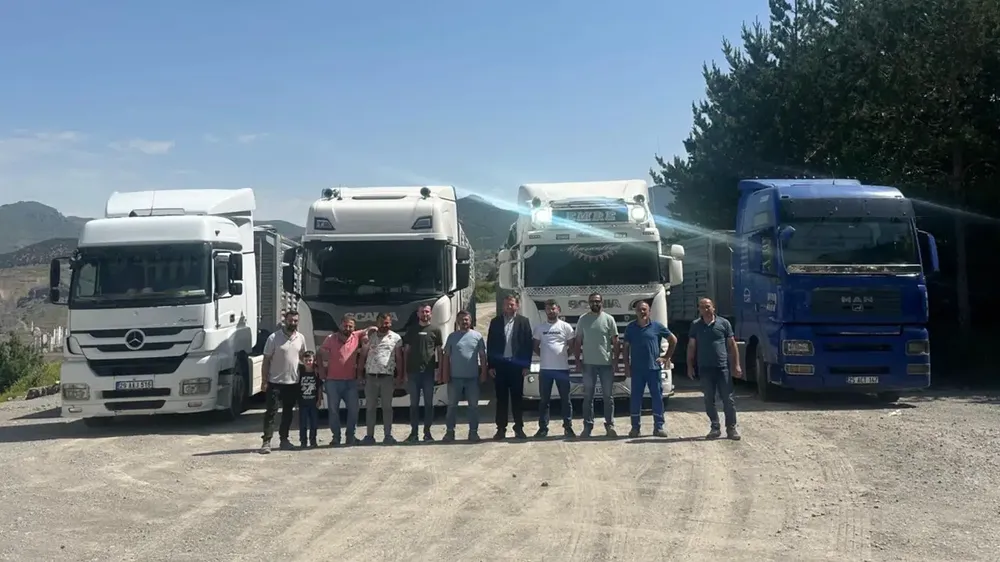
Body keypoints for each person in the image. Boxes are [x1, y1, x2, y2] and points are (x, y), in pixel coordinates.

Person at [686, 297, 742, 440]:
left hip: (722, 368)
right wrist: (690, 366)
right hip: (705, 368)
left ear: (713, 307)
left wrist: (736, 365)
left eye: (708, 306)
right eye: (702, 307)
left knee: (728, 399)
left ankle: (731, 428)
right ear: (699, 309)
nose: (705, 309)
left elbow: (732, 345)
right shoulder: (696, 325)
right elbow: (691, 346)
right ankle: (715, 427)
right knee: (708, 399)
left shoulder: (724, 323)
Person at [318, 314, 376, 447]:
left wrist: (370, 332)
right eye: (345, 326)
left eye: (351, 326)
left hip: (350, 382)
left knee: (354, 410)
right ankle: (336, 437)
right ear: (340, 325)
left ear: (354, 328)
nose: (348, 328)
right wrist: (321, 369)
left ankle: (350, 436)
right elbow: (319, 352)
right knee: (333, 411)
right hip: (333, 381)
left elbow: (370, 329)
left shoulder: (356, 336)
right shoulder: (330, 338)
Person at [622, 301, 677, 438]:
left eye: (644, 309)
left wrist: (666, 357)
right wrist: (626, 366)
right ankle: (635, 428)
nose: (642, 312)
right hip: (637, 370)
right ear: (636, 312)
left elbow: (673, 340)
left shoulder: (657, 326)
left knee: (657, 397)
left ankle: (659, 427)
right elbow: (625, 348)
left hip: (653, 369)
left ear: (649, 311)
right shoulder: (631, 328)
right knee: (636, 398)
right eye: (639, 310)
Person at [259, 310, 308, 454]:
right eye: (290, 320)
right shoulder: (273, 338)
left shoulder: (300, 338)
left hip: (293, 382)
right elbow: (266, 360)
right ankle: (266, 441)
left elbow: (303, 357)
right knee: (271, 413)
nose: (293, 323)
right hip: (275, 382)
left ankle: (284, 440)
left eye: (295, 321)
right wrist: (264, 381)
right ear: (285, 320)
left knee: (288, 413)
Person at [486, 294, 533, 440]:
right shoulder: (495, 322)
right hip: (500, 367)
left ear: (517, 306)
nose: (509, 307)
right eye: (507, 304)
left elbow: (528, 345)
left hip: (516, 366)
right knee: (501, 399)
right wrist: (490, 366)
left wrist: (526, 365)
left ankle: (519, 428)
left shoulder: (523, 322)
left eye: (512, 304)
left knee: (517, 399)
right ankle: (501, 429)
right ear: (503, 306)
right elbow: (490, 344)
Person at [574, 292, 619, 438]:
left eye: (597, 301)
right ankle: (587, 426)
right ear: (589, 303)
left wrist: (615, 361)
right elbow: (578, 341)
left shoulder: (609, 319)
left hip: (606, 364)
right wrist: (577, 361)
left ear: (602, 302)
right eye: (592, 301)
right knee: (588, 397)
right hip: (588, 364)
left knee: (608, 397)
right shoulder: (583, 319)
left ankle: (610, 425)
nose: (595, 303)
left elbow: (615, 342)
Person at [442, 310, 488, 442]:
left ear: (471, 321)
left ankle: (473, 432)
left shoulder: (477, 336)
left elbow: (483, 357)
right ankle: (450, 432)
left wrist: (483, 373)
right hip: (454, 378)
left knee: (473, 407)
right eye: (461, 320)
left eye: (466, 319)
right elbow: (446, 357)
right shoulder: (452, 337)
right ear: (457, 322)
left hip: (472, 378)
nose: (464, 322)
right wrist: (445, 374)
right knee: (452, 406)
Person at [533, 300, 576, 438]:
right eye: (548, 309)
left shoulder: (566, 327)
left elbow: (572, 346)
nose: (551, 311)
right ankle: (543, 428)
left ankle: (568, 427)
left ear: (558, 309)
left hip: (562, 369)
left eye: (553, 308)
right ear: (545, 311)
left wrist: (563, 356)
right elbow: (535, 346)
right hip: (545, 370)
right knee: (544, 400)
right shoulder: (540, 328)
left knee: (566, 400)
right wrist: (545, 356)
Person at [359, 312, 403, 445]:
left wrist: (400, 375)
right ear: (377, 323)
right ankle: (369, 436)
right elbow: (363, 355)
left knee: (387, 408)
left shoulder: (396, 338)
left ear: (391, 323)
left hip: (387, 378)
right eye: (382, 323)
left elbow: (399, 358)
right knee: (370, 407)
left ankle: (388, 436)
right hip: (371, 377)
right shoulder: (369, 337)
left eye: (387, 323)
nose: (385, 325)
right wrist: (360, 374)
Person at [402, 304, 443, 443]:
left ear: (431, 313)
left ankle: (427, 433)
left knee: (428, 404)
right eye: (422, 312)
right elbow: (406, 352)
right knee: (413, 405)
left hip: (428, 373)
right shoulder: (411, 330)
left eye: (427, 311)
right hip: (413, 373)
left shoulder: (436, 330)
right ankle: (414, 433)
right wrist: (404, 372)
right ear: (418, 314)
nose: (425, 314)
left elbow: (439, 352)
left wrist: (440, 370)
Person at [297, 351, 322, 448]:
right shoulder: (300, 372)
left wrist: (319, 400)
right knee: (303, 423)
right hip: (302, 402)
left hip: (313, 402)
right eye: (306, 360)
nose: (308, 362)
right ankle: (303, 441)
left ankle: (313, 441)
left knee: (314, 423)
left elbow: (319, 387)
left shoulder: (316, 373)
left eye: (310, 360)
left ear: (313, 360)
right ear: (303, 361)